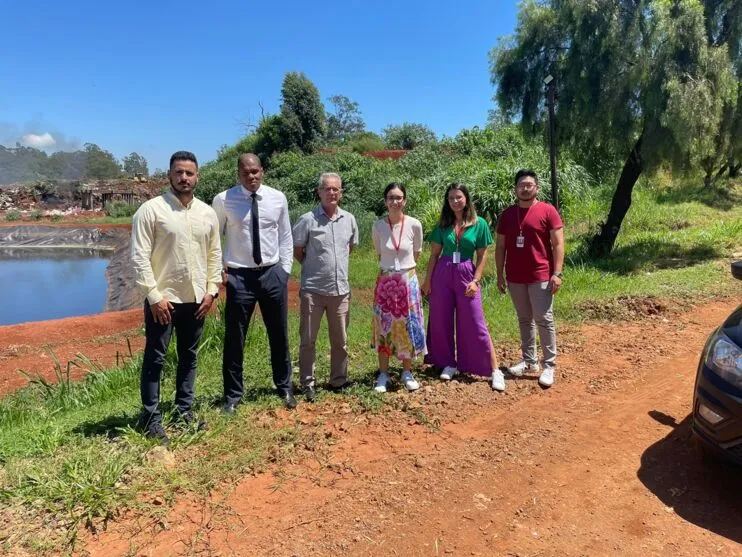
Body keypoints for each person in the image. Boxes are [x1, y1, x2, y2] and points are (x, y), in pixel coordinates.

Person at [130, 151, 222, 444]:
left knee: (189, 357)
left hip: (197, 299)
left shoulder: (207, 213)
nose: (184, 178)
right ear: (169, 175)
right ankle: (150, 417)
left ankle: (185, 410)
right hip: (163, 301)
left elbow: (214, 255)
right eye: (179, 172)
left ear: (197, 177)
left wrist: (212, 291)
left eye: (190, 173)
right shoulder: (151, 210)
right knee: (155, 358)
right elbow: (139, 256)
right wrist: (154, 296)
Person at [212, 153, 296, 411]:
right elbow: (214, 238)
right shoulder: (224, 200)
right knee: (235, 338)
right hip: (239, 277)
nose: (252, 176)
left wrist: (285, 270)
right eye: (247, 172)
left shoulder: (277, 198)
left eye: (256, 171)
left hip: (272, 273)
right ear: (238, 173)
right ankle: (233, 396)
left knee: (279, 333)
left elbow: (285, 235)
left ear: (262, 171)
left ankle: (284, 387)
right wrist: (219, 272)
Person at [421, 183, 501, 390]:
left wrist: (476, 280)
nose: (455, 201)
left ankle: (494, 369)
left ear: (466, 198)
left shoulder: (479, 223)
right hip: (443, 272)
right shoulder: (443, 224)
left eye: (458, 197)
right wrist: (427, 280)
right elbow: (434, 255)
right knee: (440, 319)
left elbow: (482, 255)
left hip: (466, 273)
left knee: (475, 321)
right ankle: (448, 363)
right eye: (451, 198)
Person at [292, 172, 359, 401]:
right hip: (313, 290)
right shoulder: (307, 220)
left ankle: (339, 380)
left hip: (340, 290)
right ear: (319, 192)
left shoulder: (349, 219)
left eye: (336, 189)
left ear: (341, 193)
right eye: (327, 189)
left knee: (340, 339)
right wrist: (315, 267)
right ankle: (308, 383)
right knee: (308, 339)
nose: (332, 193)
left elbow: (349, 248)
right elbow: (298, 251)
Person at [496, 169, 564, 389]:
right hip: (515, 277)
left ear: (537, 187)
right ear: (515, 188)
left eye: (529, 185)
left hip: (541, 275)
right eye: (521, 185)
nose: (525, 188)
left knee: (544, 319)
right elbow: (500, 247)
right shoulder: (507, 215)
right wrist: (499, 274)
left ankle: (549, 365)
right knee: (524, 319)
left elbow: (558, 244)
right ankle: (529, 361)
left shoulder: (548, 211)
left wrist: (557, 272)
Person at [371, 183, 426, 393]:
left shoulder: (414, 224)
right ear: (385, 201)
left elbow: (417, 253)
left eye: (399, 197)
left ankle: (407, 371)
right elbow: (379, 252)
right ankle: (383, 373)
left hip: (407, 280)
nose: (395, 201)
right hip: (385, 281)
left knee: (408, 326)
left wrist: (404, 273)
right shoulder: (378, 226)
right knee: (384, 326)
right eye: (391, 197)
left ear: (405, 200)